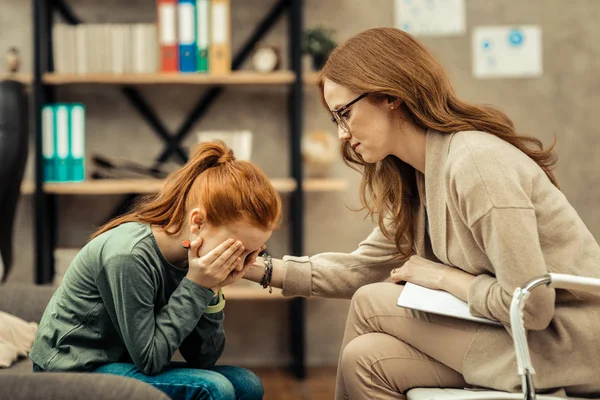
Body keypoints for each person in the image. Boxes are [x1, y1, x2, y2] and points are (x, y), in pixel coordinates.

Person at [244, 27, 600, 399]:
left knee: (370, 301)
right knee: (362, 360)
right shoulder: (418, 176)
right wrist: (260, 268)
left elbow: (531, 307)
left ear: (390, 95)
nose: (341, 135)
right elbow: (361, 268)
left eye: (344, 114)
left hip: (565, 346)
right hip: (509, 339)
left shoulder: (475, 164)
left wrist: (443, 278)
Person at [30, 141, 281, 400]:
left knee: (247, 383)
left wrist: (212, 291)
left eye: (251, 254)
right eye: (234, 250)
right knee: (215, 388)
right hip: (71, 368)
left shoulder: (194, 260)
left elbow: (204, 357)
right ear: (197, 222)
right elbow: (150, 360)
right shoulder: (129, 256)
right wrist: (196, 286)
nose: (239, 264)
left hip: (122, 361)